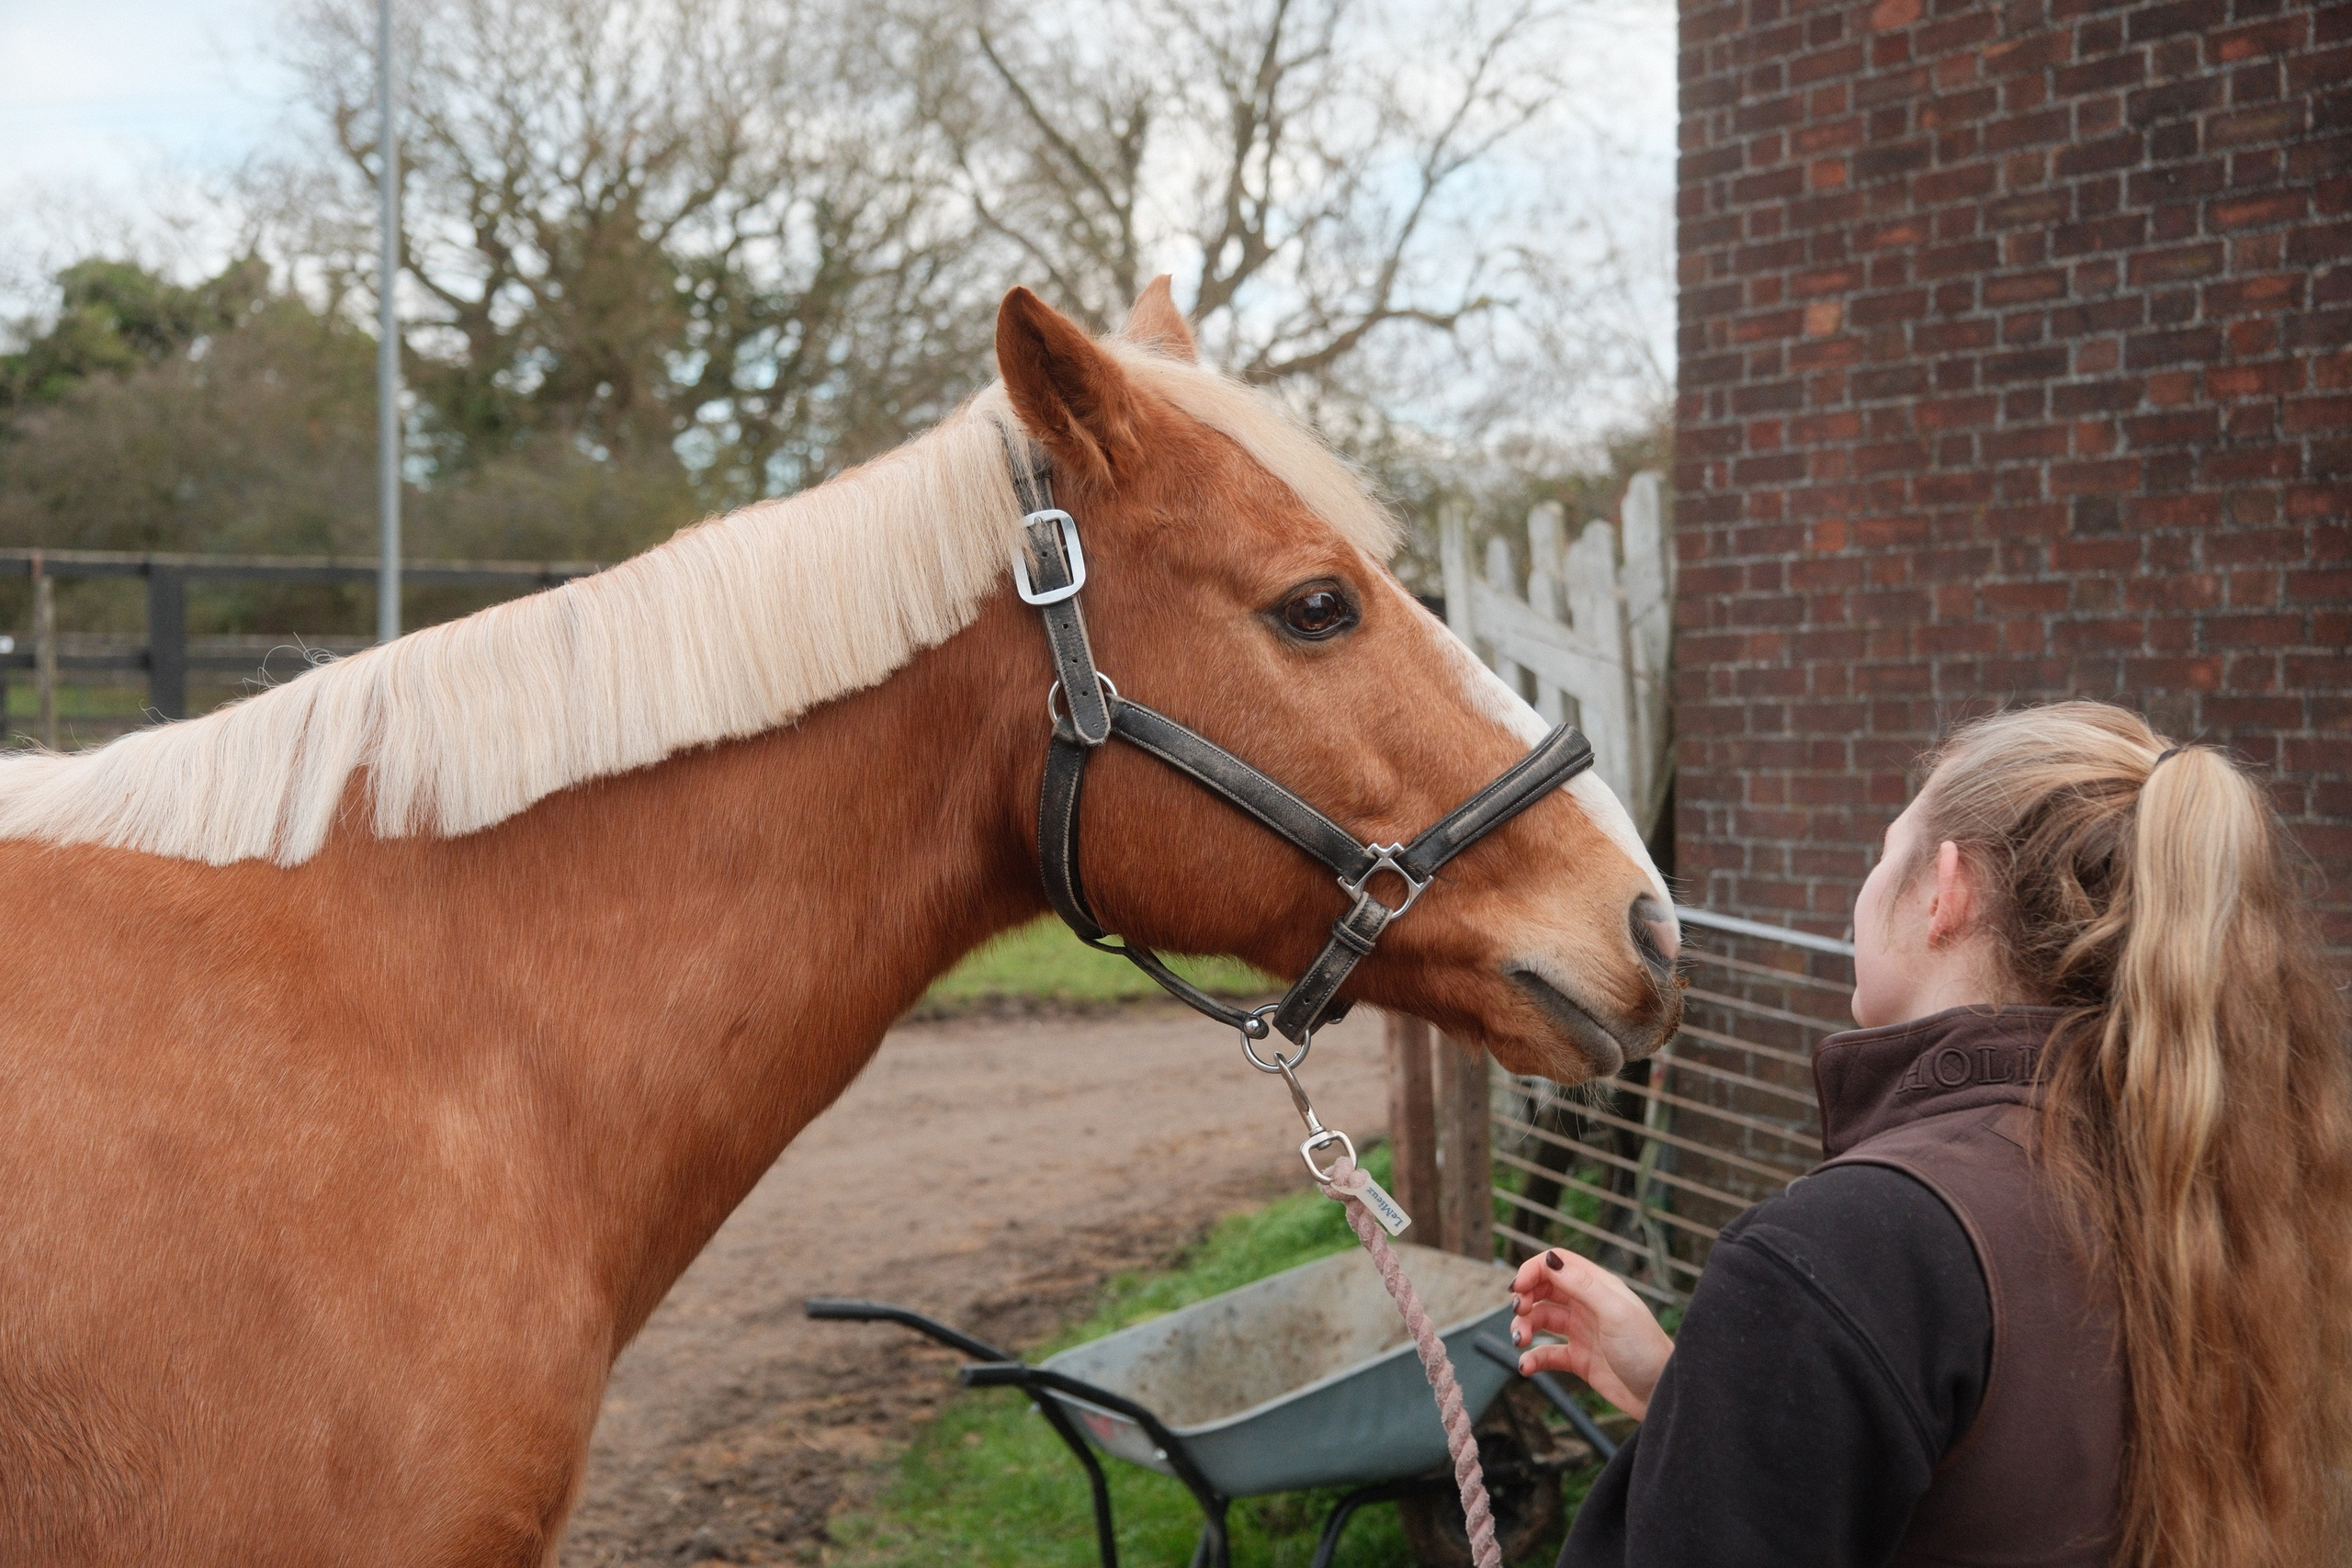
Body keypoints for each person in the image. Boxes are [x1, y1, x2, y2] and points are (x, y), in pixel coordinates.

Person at [1509, 701, 2352, 1568]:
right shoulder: (2184, 1181)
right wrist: (1700, 1393)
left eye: (1885, 854)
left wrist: (1774, 1335)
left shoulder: (1845, 1248)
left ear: (1944, 891)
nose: (1867, 889)